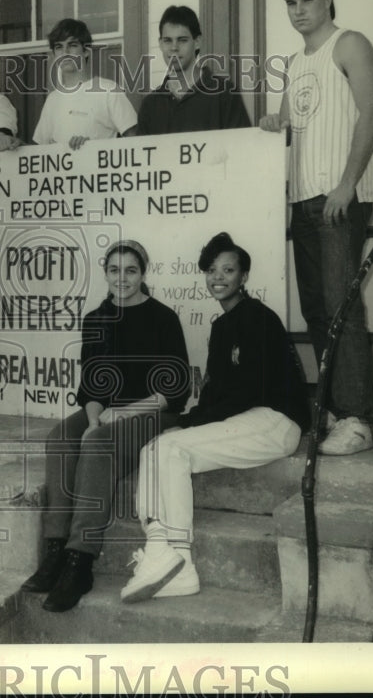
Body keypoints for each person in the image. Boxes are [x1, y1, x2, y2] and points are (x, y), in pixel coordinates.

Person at [120, 233, 310, 603]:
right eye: (211, 270)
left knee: (171, 449)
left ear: (243, 277)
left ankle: (173, 559)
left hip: (275, 420)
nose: (218, 277)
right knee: (155, 449)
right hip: (245, 419)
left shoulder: (258, 318)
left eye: (228, 270)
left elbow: (247, 391)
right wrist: (191, 418)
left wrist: (190, 423)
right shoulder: (222, 326)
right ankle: (168, 557)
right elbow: (216, 392)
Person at [20, 240, 190, 612]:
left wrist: (119, 415)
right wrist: (95, 417)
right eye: (115, 270)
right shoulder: (97, 319)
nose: (122, 278)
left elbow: (175, 390)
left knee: (97, 445)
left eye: (131, 270)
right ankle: (55, 551)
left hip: (154, 414)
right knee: (61, 439)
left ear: (143, 273)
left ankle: (81, 561)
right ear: (106, 273)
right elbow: (92, 387)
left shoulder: (163, 318)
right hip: (108, 411)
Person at [259, 0, 373, 455]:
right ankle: (332, 411)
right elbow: (292, 130)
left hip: (338, 198)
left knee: (341, 307)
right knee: (315, 308)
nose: (298, 10)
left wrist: (347, 184)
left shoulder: (350, 43)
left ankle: (357, 419)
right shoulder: (293, 64)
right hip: (302, 200)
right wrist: (274, 127)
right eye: (290, 3)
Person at [135, 5, 250, 135]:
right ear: (160, 44)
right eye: (167, 40)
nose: (174, 47)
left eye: (182, 40)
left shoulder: (225, 94)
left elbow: (242, 148)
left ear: (197, 42)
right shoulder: (150, 106)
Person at [32, 18, 138, 150]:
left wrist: (92, 147)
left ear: (86, 51)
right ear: (54, 55)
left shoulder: (108, 90)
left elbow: (135, 141)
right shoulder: (52, 99)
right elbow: (37, 152)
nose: (65, 52)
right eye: (59, 47)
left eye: (72, 45)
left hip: (98, 169)